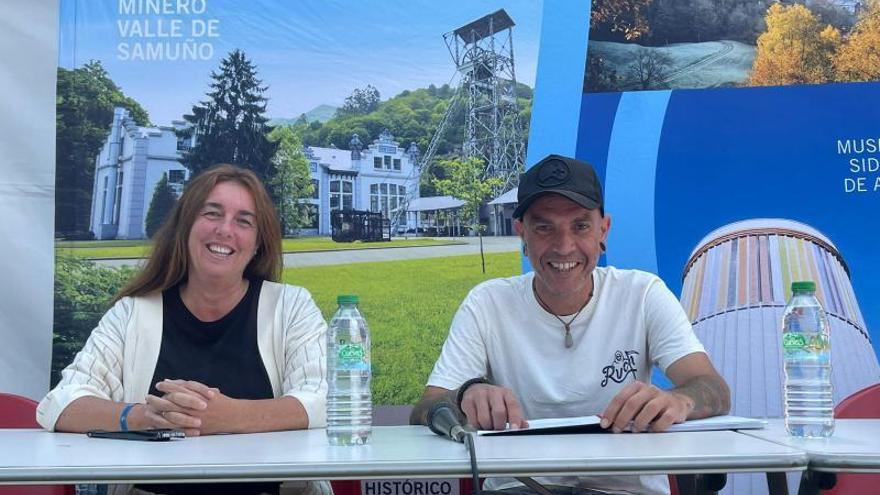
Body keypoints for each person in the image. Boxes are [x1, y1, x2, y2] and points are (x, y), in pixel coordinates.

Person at [410, 154, 731, 495]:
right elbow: (426, 409)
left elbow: (712, 388)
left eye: (580, 226)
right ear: (522, 233)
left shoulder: (642, 292)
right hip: (519, 487)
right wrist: (466, 394)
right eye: (544, 227)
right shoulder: (487, 302)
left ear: (603, 231)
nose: (564, 247)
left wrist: (679, 401)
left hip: (624, 488)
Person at [38, 164, 329, 495]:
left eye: (243, 221)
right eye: (212, 213)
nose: (225, 230)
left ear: (258, 243)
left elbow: (323, 400)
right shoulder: (133, 312)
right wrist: (144, 418)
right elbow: (60, 405)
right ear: (186, 225)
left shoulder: (291, 307)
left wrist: (229, 416)